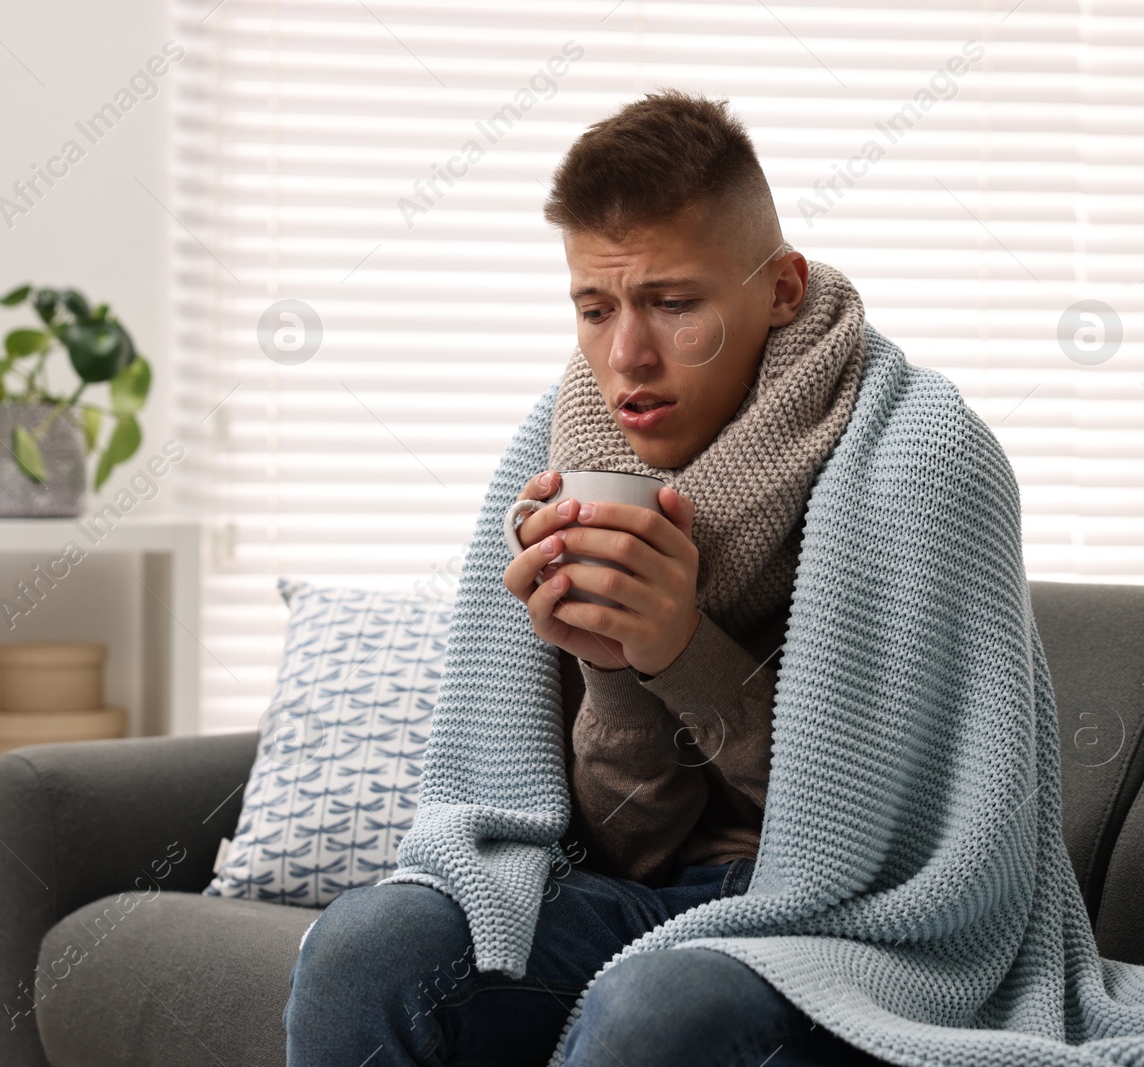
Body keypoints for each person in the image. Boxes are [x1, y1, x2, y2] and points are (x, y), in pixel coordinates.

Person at [284, 89, 893, 1065]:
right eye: (594, 306)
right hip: (625, 894)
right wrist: (611, 662)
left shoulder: (914, 456)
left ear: (780, 288)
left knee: (654, 1006)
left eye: (673, 302)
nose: (626, 357)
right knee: (366, 948)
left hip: (837, 926)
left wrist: (687, 651)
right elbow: (628, 845)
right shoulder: (563, 445)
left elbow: (884, 843)